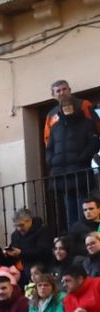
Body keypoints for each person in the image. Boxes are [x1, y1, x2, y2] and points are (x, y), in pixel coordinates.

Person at [45, 82, 100, 230]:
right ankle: (73, 236)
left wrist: (84, 157)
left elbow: (95, 135)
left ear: (69, 90)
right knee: (68, 206)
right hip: (61, 172)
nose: (62, 93)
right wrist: (52, 161)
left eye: (64, 89)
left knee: (84, 204)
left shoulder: (84, 106)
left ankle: (85, 235)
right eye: (58, 91)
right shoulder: (52, 116)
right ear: (53, 95)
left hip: (81, 169)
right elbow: (48, 142)